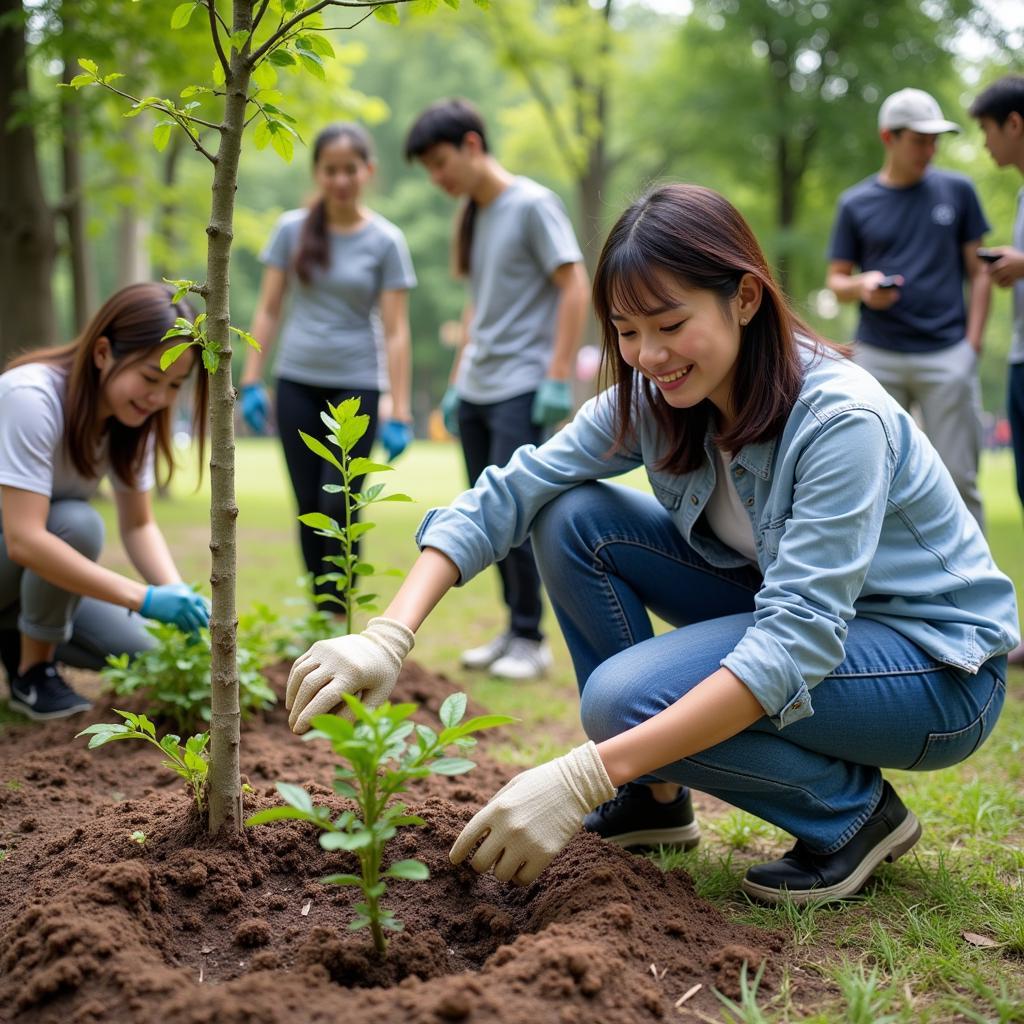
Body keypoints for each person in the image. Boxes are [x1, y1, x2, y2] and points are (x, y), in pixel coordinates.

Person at [284, 184, 1018, 904]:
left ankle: (852, 816)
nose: (647, 355)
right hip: (816, 624)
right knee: (570, 516)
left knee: (622, 701)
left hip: (934, 669)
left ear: (745, 298)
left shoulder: (838, 421)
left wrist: (586, 773)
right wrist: (388, 634)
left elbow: (794, 640)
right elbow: (513, 490)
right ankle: (653, 799)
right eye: (626, 331)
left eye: (669, 324)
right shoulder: (660, 400)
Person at [404, 98, 590, 681]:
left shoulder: (533, 204)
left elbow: (574, 285)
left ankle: (531, 638)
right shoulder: (475, 215)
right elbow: (478, 305)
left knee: (516, 515)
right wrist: (458, 382)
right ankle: (512, 629)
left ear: (472, 145)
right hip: (480, 386)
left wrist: (556, 375)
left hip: (522, 385)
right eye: (428, 169)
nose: (438, 178)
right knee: (488, 516)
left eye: (440, 163)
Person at [0, 283, 211, 720]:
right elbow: (23, 539)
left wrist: (174, 591)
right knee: (78, 523)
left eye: (174, 385)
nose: (158, 398)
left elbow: (138, 525)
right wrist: (144, 599)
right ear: (102, 353)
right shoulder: (31, 397)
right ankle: (33, 673)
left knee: (146, 656)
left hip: (25, 580)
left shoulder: (131, 418)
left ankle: (14, 635)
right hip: (13, 557)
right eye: (150, 378)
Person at [239, 122, 416, 612]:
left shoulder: (386, 240)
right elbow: (269, 308)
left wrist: (400, 410)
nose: (341, 180)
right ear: (318, 173)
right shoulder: (291, 229)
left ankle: (340, 612)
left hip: (357, 385)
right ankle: (323, 616)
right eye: (331, 170)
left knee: (339, 503)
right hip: (296, 381)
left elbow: (397, 330)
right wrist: (251, 380)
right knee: (308, 508)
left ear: (368, 171)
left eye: (350, 169)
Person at [826, 87, 992, 529]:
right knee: (876, 476)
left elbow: (979, 272)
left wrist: (970, 347)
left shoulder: (958, 191)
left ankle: (976, 592)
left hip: (946, 355)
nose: (930, 149)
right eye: (919, 139)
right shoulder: (856, 203)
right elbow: (836, 282)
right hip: (879, 356)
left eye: (934, 139)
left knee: (960, 478)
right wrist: (863, 286)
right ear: (889, 138)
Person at [970, 74, 1024, 666]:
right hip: (1018, 358)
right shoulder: (1019, 195)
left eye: (988, 129)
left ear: (1014, 123)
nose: (986, 143)